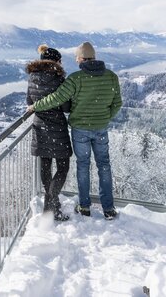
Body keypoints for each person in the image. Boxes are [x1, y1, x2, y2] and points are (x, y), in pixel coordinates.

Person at [27, 41, 122, 220]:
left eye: (77, 57)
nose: (75, 60)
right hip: (100, 129)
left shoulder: (76, 78)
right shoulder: (111, 76)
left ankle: (84, 206)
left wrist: (35, 106)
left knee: (83, 166)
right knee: (104, 165)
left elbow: (57, 98)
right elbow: (117, 103)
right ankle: (108, 208)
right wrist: (104, 117)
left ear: (81, 58)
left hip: (79, 129)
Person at [26, 45, 73, 222]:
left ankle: (52, 205)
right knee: (63, 167)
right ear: (56, 61)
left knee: (45, 167)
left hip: (40, 127)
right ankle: (50, 206)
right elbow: (66, 106)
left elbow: (29, 101)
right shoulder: (59, 79)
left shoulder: (32, 77)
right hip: (57, 128)